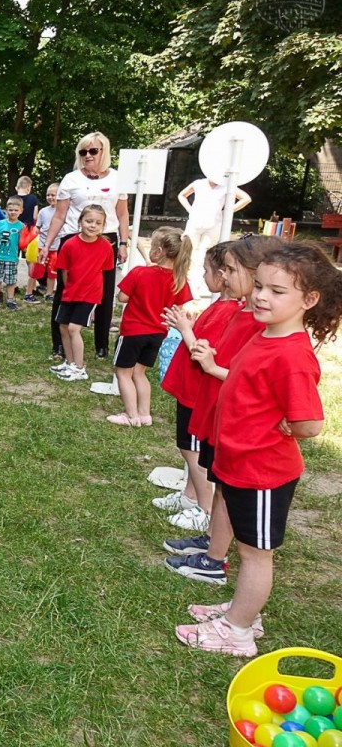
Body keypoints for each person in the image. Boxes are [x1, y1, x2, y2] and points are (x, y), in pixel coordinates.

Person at [175, 242, 341, 657]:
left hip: (263, 472)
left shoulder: (292, 355)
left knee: (254, 555)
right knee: (249, 551)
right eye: (261, 286)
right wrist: (215, 368)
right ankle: (243, 609)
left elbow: (311, 422)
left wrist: (287, 424)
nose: (262, 296)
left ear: (310, 299)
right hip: (238, 462)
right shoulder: (267, 334)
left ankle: (239, 631)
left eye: (277, 291)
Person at [164, 236, 280, 585]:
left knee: (229, 495)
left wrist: (211, 365)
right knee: (220, 485)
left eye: (231, 270)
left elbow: (250, 379)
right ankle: (214, 546)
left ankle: (215, 560)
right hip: (219, 412)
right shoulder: (242, 313)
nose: (224, 276)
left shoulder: (256, 322)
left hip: (232, 418)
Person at [155, 242, 236, 538]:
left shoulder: (230, 311)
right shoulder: (220, 305)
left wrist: (184, 329)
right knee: (187, 449)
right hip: (190, 390)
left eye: (206, 271)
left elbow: (204, 355)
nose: (203, 277)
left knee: (193, 453)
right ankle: (190, 497)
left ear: (223, 274)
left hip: (198, 394)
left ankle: (204, 511)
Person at [41, 132, 132, 360]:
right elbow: (59, 216)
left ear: (104, 152)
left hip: (106, 238)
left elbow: (122, 214)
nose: (88, 155)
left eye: (93, 151)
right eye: (83, 151)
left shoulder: (117, 178)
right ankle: (59, 344)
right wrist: (47, 244)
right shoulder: (71, 179)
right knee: (65, 290)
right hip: (73, 238)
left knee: (105, 291)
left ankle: (101, 344)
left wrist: (123, 242)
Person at [106, 227, 194, 427]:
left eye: (153, 246)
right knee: (140, 372)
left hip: (133, 331)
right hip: (158, 333)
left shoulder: (140, 272)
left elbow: (122, 298)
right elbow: (177, 309)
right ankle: (145, 415)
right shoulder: (180, 280)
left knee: (123, 373)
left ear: (160, 251)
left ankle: (131, 415)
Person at [50, 204, 115, 382]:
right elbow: (64, 271)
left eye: (98, 223)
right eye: (89, 221)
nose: (92, 226)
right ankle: (70, 363)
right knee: (63, 326)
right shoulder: (69, 244)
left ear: (103, 226)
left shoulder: (106, 247)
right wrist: (69, 288)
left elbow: (105, 270)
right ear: (80, 222)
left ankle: (79, 368)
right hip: (71, 292)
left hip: (90, 295)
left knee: (73, 328)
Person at [178, 177, 253, 298]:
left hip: (213, 225)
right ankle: (188, 286)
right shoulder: (199, 183)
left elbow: (246, 198)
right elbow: (182, 195)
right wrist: (189, 209)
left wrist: (228, 210)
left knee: (204, 255)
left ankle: (199, 287)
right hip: (194, 223)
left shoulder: (226, 186)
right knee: (189, 254)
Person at [0, 195, 26, 310]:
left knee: (11, 281)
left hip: (12, 258)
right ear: (6, 210)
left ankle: (10, 300)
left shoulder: (22, 226)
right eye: (10, 210)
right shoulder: (0, 224)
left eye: (16, 210)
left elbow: (23, 243)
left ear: (21, 211)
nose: (13, 212)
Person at [28, 183, 60, 304]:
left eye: (53, 195)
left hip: (56, 248)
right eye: (48, 195)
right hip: (41, 247)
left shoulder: (65, 211)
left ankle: (49, 293)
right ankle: (29, 293)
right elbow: (37, 227)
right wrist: (31, 238)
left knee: (52, 273)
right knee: (35, 271)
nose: (50, 197)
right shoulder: (43, 212)